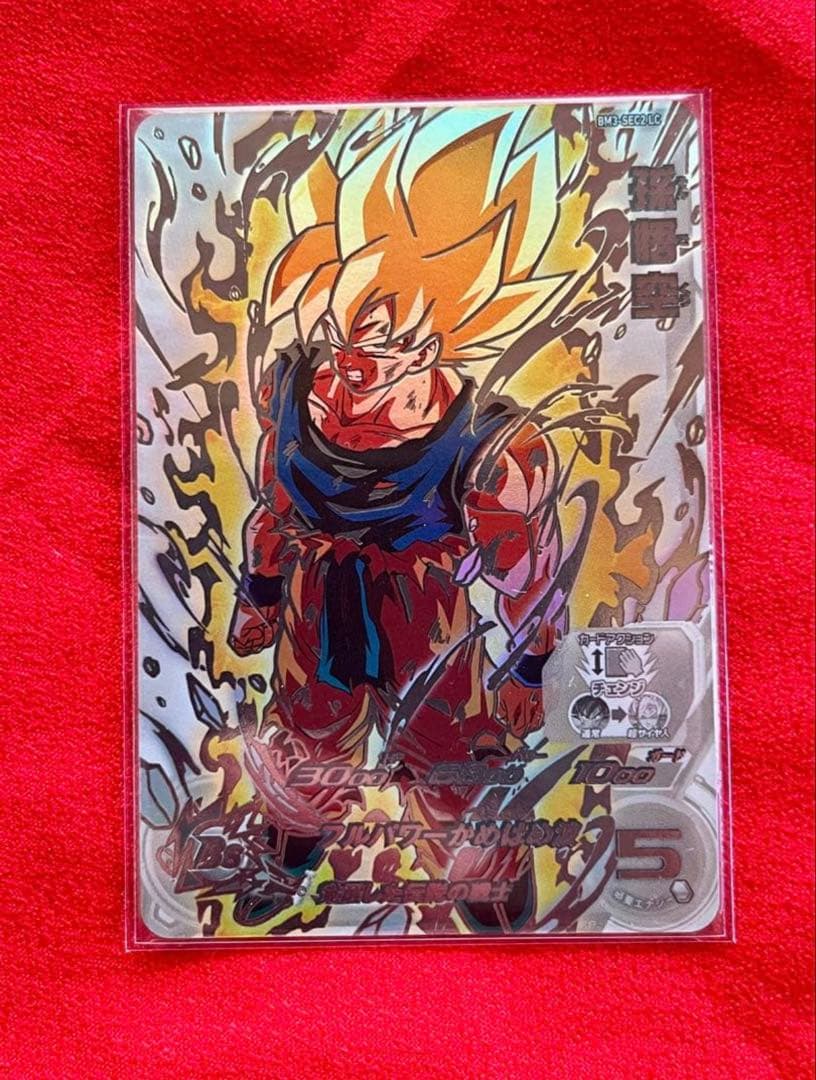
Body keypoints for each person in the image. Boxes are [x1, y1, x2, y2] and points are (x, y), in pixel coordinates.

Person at [227, 110, 570, 932]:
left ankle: (488, 886)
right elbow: (276, 503)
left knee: (449, 756)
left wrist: (529, 667)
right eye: (339, 340)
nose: (345, 369)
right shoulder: (293, 385)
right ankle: (289, 857)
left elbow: (528, 569)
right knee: (305, 740)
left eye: (373, 352)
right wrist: (262, 589)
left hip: (426, 613)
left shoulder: (493, 444)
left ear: (429, 344)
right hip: (316, 599)